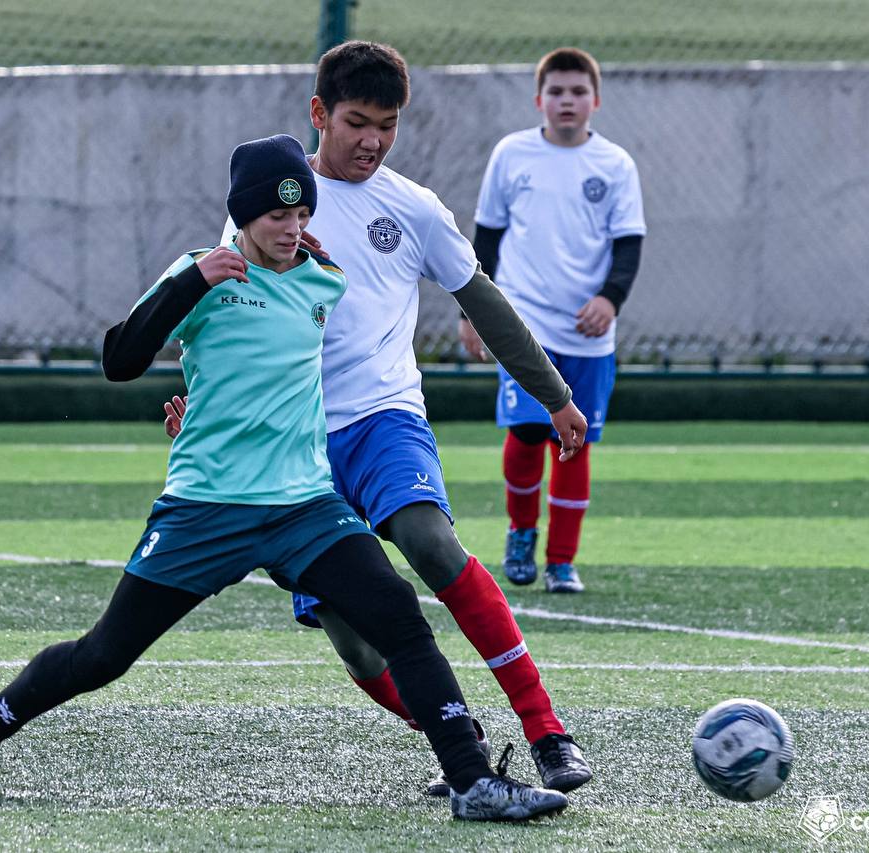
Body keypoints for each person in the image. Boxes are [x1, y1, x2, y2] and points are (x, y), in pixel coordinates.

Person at [0, 134, 568, 822]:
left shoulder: (322, 279)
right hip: (207, 509)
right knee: (102, 656)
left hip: (304, 508)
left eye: (303, 215)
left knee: (399, 617)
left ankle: (472, 780)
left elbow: (299, 368)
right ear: (243, 215)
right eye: (277, 216)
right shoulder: (200, 276)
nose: (293, 229)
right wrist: (192, 283)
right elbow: (120, 359)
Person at [170, 41, 594, 796]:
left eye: (387, 126)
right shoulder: (269, 209)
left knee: (429, 540)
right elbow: (228, 328)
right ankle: (462, 745)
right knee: (357, 644)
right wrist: (203, 416)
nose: (372, 141)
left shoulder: (414, 207)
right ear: (319, 113)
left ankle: (546, 732)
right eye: (357, 123)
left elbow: (484, 302)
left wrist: (554, 396)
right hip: (295, 444)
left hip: (384, 417)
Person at [462, 47, 646, 595]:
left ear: (596, 100)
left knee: (575, 442)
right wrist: (472, 313)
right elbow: (486, 240)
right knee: (524, 433)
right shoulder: (511, 154)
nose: (568, 101)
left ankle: (562, 561)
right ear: (539, 99)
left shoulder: (615, 164)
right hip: (524, 327)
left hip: (588, 335)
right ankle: (521, 532)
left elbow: (629, 245)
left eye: (579, 91)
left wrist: (610, 299)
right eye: (557, 92)